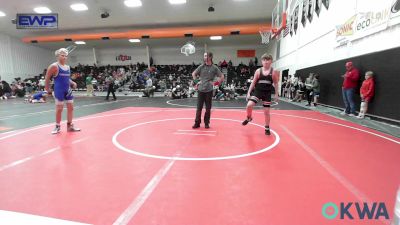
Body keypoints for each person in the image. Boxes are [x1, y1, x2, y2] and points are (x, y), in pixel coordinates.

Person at [45, 48, 81, 134]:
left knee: (71, 108)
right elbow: (47, 77)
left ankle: (70, 126)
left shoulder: (67, 67)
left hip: (67, 89)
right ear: (57, 56)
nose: (64, 57)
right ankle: (57, 126)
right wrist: (47, 89)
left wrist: (72, 82)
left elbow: (66, 78)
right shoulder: (54, 66)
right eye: (62, 55)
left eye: (66, 56)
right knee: (59, 109)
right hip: (59, 90)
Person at [242, 53, 279, 135]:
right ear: (262, 61)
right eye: (264, 60)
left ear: (271, 61)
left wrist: (276, 94)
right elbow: (253, 82)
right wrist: (248, 93)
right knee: (249, 105)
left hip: (267, 93)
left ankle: (267, 127)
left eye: (268, 60)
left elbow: (276, 83)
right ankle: (249, 118)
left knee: (266, 111)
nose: (266, 62)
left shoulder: (273, 72)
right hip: (258, 91)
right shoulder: (258, 71)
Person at [192, 52, 224, 129]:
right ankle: (197, 123)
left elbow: (222, 76)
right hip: (200, 90)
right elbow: (193, 74)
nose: (204, 57)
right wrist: (196, 82)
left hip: (209, 90)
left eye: (206, 56)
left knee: (208, 108)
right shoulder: (201, 66)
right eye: (204, 56)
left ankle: (206, 123)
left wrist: (216, 83)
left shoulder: (214, 67)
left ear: (210, 57)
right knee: (199, 108)